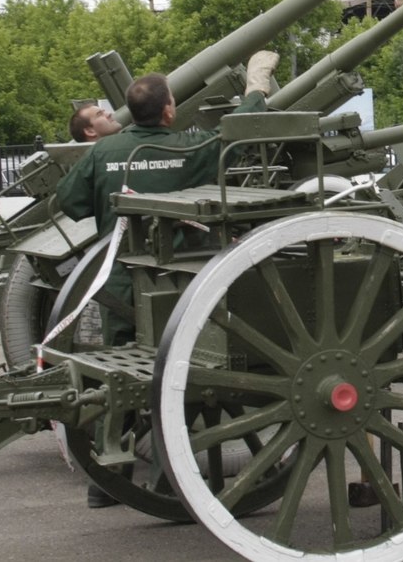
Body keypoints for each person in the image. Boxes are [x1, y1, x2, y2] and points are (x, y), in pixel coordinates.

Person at [53, 52, 277, 509]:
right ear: (170, 111)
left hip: (116, 282)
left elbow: (69, 202)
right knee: (179, 380)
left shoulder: (102, 151)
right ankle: (170, 478)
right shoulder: (184, 149)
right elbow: (232, 134)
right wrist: (256, 88)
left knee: (112, 376)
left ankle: (105, 480)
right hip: (173, 283)